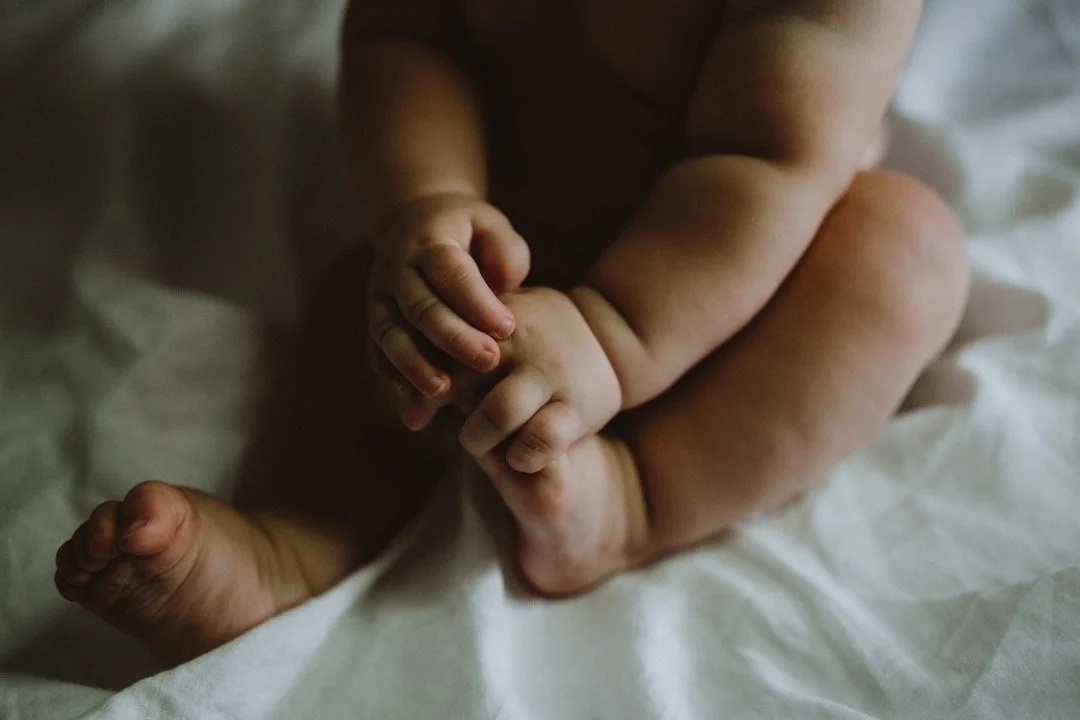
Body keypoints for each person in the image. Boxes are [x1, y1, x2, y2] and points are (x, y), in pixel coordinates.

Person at [54, 0, 968, 663]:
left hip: (730, 283)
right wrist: (428, 201)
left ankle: (633, 503)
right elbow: (406, 36)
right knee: (362, 299)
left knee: (904, 260)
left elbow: (766, 157)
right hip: (500, 238)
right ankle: (288, 542)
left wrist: (611, 337)